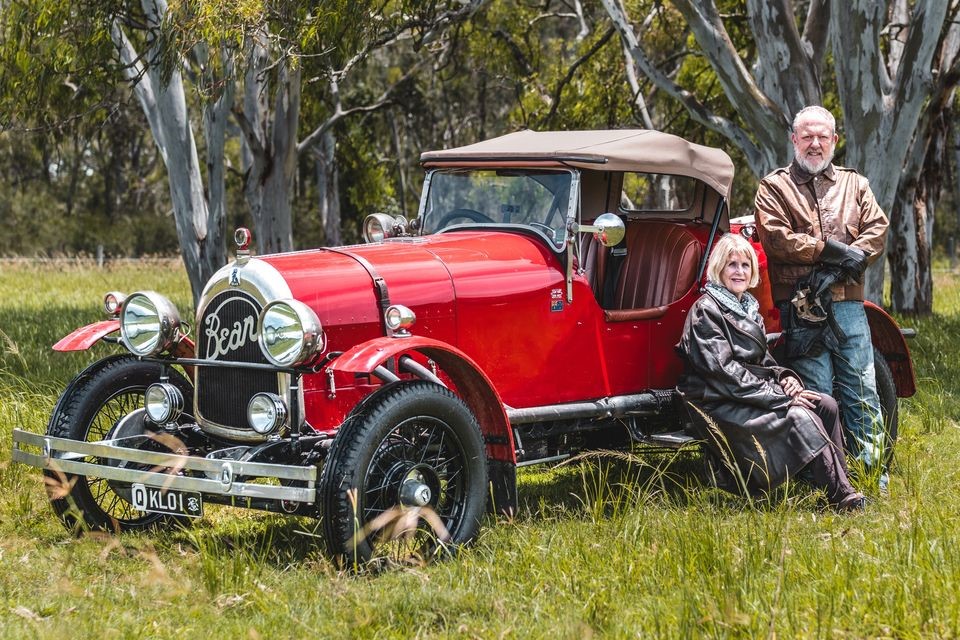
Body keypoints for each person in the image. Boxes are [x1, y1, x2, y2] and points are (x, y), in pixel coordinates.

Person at [676, 233, 864, 510]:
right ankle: (840, 497)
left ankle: (838, 481)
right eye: (731, 265)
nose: (739, 271)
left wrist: (784, 378)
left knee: (825, 404)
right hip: (716, 400)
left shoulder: (747, 308)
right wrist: (782, 399)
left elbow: (763, 362)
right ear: (719, 268)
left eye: (745, 265)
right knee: (800, 415)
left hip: (746, 391)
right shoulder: (706, 311)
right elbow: (724, 373)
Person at [754, 105, 890, 488]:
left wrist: (852, 256)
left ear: (835, 140)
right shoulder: (773, 187)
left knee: (862, 390)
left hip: (847, 305)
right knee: (816, 394)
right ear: (794, 140)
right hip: (801, 308)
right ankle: (828, 483)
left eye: (822, 137)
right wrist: (832, 253)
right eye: (807, 137)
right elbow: (776, 238)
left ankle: (872, 477)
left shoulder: (855, 184)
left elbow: (876, 228)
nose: (815, 144)